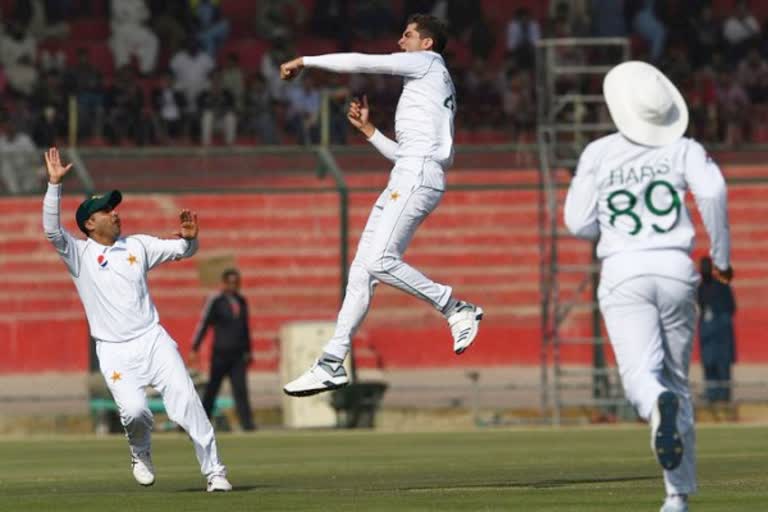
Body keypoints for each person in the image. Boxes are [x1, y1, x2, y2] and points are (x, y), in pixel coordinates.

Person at [279, 14, 484, 397]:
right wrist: (370, 132)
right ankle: (331, 362)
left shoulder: (425, 63)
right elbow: (407, 155)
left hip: (417, 177)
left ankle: (455, 307)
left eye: (408, 35)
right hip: (411, 173)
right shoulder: (426, 81)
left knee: (377, 261)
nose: (400, 39)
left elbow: (362, 61)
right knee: (362, 270)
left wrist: (306, 61)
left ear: (426, 43)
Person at [564, 61, 731, 512]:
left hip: (623, 268)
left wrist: (613, 223)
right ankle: (677, 496)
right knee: (678, 382)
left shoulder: (598, 153)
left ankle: (656, 405)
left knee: (642, 376)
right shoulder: (685, 149)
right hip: (677, 267)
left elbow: (577, 223)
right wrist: (722, 259)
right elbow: (714, 193)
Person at [41, 147, 232, 492]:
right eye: (106, 211)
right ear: (89, 223)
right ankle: (140, 450)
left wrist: (191, 240)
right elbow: (53, 233)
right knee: (134, 412)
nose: (115, 215)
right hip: (114, 351)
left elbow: (182, 251)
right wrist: (54, 185)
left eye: (115, 209)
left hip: (152, 339)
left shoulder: (137, 246)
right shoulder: (79, 254)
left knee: (187, 402)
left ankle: (215, 472)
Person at [189, 269, 255, 431]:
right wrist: (195, 347)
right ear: (224, 283)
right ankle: (202, 422)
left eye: (236, 283)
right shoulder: (216, 301)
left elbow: (244, 328)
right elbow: (204, 324)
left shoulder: (241, 301)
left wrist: (248, 350)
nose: (233, 286)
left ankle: (247, 425)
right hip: (220, 353)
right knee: (212, 389)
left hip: (238, 355)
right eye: (230, 282)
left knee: (241, 390)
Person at [697, 256, 736, 404]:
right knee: (709, 364)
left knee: (723, 365)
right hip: (707, 334)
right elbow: (700, 307)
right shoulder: (700, 288)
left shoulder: (722, 286)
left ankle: (724, 397)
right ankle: (711, 395)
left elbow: (731, 307)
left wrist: (720, 320)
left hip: (721, 333)